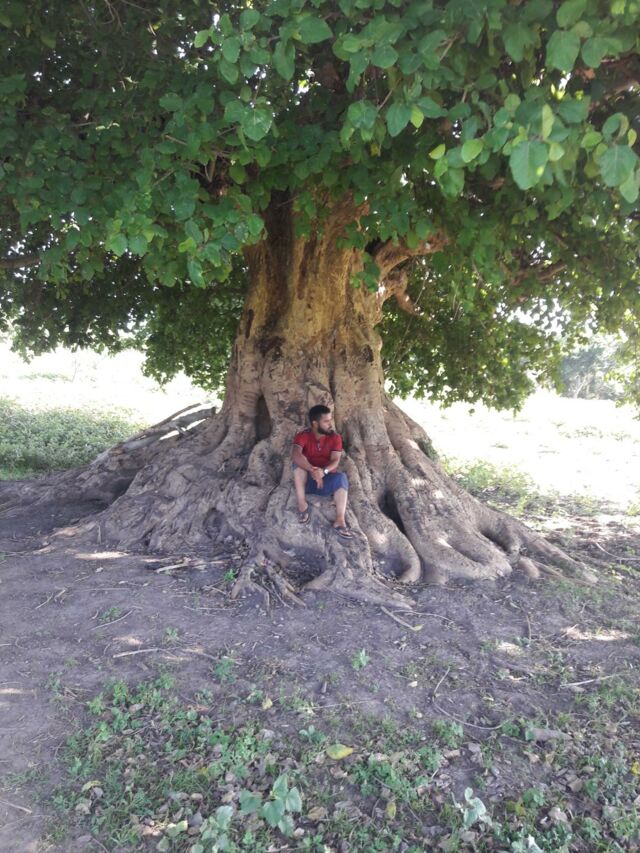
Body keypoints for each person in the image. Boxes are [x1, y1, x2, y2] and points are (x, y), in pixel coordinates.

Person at [291, 405, 353, 538]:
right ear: (315, 423)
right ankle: (302, 505)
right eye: (326, 421)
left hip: (325, 480)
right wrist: (312, 470)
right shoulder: (303, 436)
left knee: (342, 478)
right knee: (297, 465)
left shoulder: (335, 438)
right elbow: (296, 455)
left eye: (330, 420)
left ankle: (340, 520)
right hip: (307, 481)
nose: (330, 424)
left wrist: (323, 472)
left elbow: (335, 460)